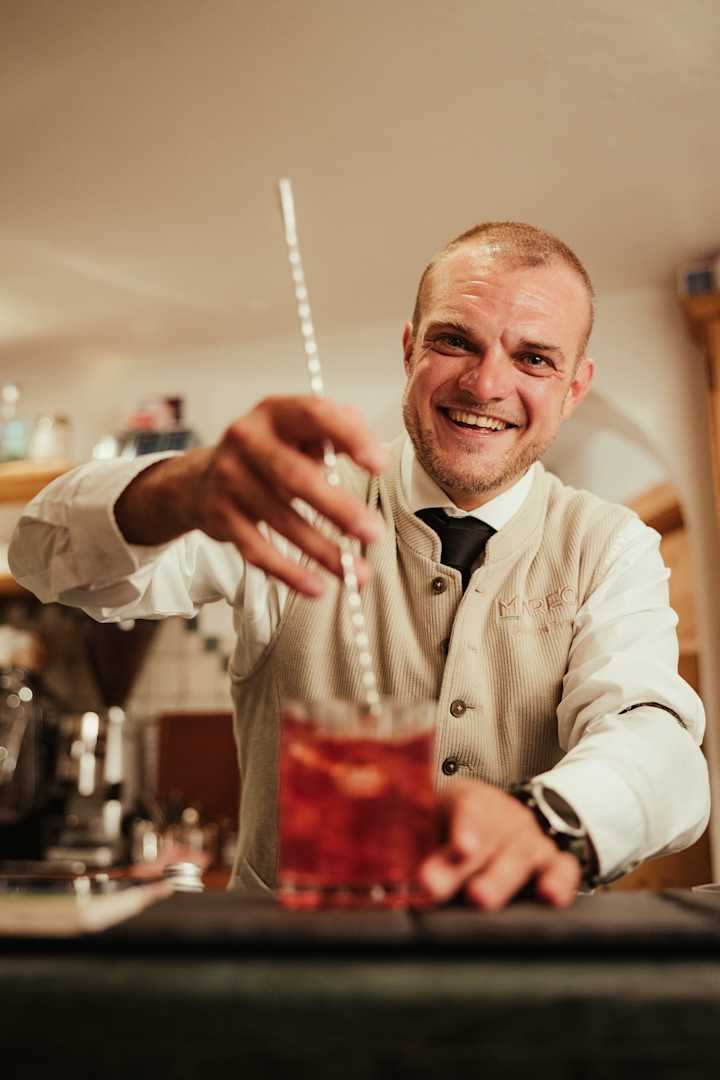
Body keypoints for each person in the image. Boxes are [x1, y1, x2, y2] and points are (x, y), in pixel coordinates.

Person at [10, 222, 710, 909]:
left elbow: (661, 747)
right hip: (295, 969)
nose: (486, 383)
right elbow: (42, 555)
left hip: (523, 971)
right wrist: (185, 486)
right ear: (409, 351)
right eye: (454, 341)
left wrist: (543, 820)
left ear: (574, 388)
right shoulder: (291, 499)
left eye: (533, 358)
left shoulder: (610, 545)